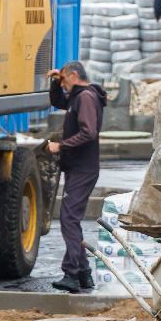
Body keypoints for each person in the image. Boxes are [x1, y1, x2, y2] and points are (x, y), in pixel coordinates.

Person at [47, 61, 107, 293]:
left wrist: (60, 146)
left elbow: (89, 132)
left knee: (69, 219)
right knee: (70, 218)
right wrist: (55, 82)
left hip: (83, 168)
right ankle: (83, 273)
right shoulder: (77, 97)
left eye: (63, 79)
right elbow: (57, 101)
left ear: (73, 75)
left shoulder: (86, 98)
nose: (62, 84)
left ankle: (71, 273)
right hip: (78, 168)